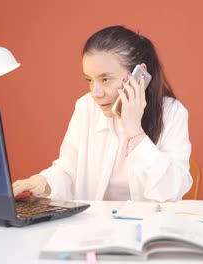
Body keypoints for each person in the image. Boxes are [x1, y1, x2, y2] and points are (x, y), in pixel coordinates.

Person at [13, 25, 192, 202]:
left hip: (151, 228)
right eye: (89, 80)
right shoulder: (86, 107)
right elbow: (67, 171)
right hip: (94, 226)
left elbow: (171, 191)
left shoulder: (172, 113)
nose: (95, 93)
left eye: (106, 79)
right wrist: (43, 182)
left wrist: (135, 132)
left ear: (139, 76)